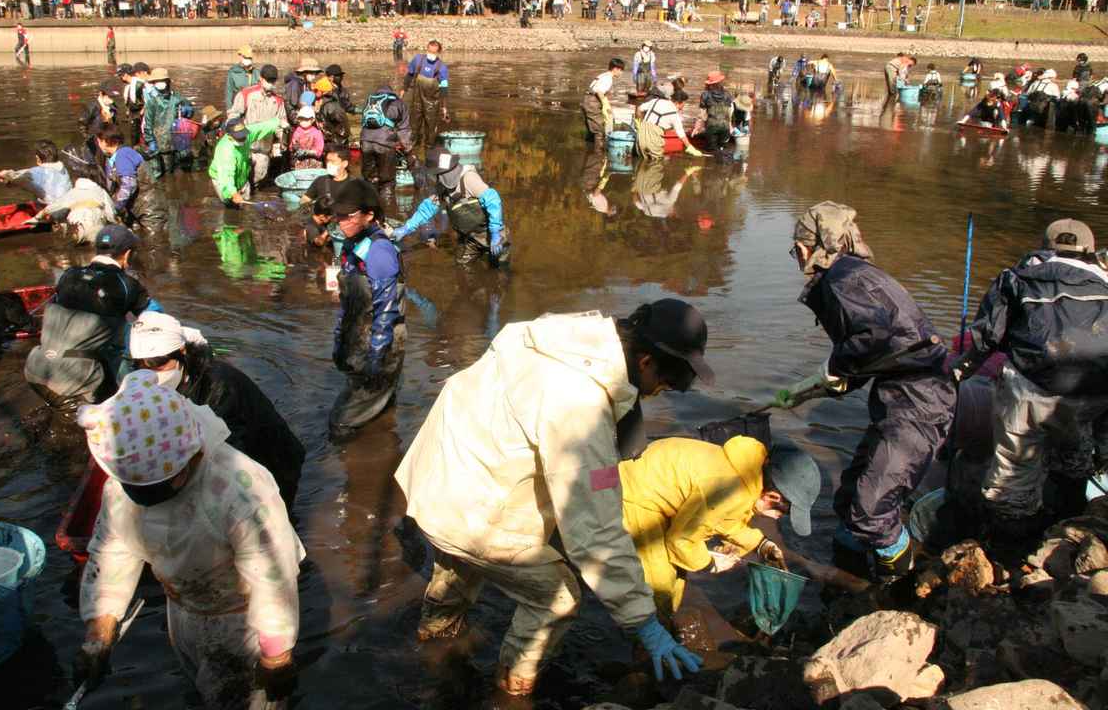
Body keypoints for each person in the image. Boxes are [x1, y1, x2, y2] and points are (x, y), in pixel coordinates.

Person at [395, 299, 712, 696]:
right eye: (664, 384)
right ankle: (512, 689)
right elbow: (594, 529)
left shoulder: (565, 336)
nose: (659, 393)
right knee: (558, 597)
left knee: (462, 561)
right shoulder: (581, 406)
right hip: (471, 502)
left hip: (441, 473)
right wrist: (642, 621)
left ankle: (434, 637)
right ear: (645, 362)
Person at [74, 370, 304, 710]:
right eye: (134, 488)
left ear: (192, 456)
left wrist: (276, 655)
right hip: (184, 609)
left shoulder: (238, 488)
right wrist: (99, 633)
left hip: (241, 620)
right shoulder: (121, 486)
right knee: (201, 687)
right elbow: (111, 551)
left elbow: (272, 577)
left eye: (155, 486)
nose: (142, 497)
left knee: (248, 699)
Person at [777, 202, 954, 581]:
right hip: (902, 395)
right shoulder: (857, 274)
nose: (797, 258)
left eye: (796, 249)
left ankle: (899, 586)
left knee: (870, 510)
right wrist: (815, 388)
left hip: (920, 400)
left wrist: (831, 370)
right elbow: (874, 351)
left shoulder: (843, 281)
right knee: (850, 497)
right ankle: (847, 577)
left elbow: (873, 339)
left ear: (810, 247)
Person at [951, 220, 1108, 546]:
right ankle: (1065, 530)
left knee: (1013, 473)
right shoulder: (1105, 284)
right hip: (1093, 392)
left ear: (1045, 247)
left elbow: (986, 338)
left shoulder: (1016, 279)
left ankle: (1007, 548)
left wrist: (958, 373)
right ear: (1090, 251)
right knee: (1075, 459)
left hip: (1032, 389)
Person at [619, 436, 820, 620]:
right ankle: (649, 640)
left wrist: (760, 544)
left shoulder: (748, 473)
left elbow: (722, 520)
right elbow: (680, 540)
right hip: (634, 494)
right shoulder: (728, 491)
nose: (779, 517)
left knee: (678, 572)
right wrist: (709, 564)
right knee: (661, 582)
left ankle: (664, 622)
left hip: (653, 482)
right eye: (783, 512)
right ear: (772, 497)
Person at [127, 311, 307, 506]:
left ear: (182, 351)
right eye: (140, 365)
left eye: (158, 363)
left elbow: (229, 456)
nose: (150, 374)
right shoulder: (158, 385)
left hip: (272, 462)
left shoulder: (219, 387)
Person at [24, 225, 155, 419]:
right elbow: (154, 316)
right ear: (127, 255)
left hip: (35, 368)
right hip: (73, 381)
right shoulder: (126, 285)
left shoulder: (68, 275)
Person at [329, 179, 405, 438]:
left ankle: (357, 466)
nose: (340, 222)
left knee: (341, 421)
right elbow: (346, 304)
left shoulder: (380, 252)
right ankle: (385, 438)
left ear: (369, 215)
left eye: (347, 216)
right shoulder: (350, 247)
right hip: (361, 333)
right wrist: (339, 341)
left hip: (383, 340)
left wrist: (376, 357)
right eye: (337, 216)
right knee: (376, 403)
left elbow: (386, 311)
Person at [392, 147, 508, 266]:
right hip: (469, 239)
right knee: (462, 268)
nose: (433, 178)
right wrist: (406, 228)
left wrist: (495, 232)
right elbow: (426, 210)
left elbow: (493, 200)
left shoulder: (468, 178)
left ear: (441, 173)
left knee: (499, 270)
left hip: (492, 234)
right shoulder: (442, 188)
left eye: (434, 174)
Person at [97, 126, 166, 234]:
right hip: (135, 210)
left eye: (99, 141)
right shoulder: (112, 159)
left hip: (150, 209)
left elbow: (129, 185)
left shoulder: (124, 155)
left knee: (155, 243)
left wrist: (114, 208)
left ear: (105, 141)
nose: (98, 144)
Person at [229, 64, 287, 188]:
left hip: (264, 149)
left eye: (273, 80)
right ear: (260, 78)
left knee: (258, 181)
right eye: (268, 80)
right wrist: (238, 138)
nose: (270, 83)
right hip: (245, 147)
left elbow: (281, 124)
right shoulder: (245, 94)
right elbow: (233, 118)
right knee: (241, 183)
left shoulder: (278, 100)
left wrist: (282, 140)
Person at [208, 116, 282, 206]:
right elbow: (226, 176)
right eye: (239, 137)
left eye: (243, 135)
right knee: (230, 204)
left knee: (244, 201)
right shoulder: (225, 150)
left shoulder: (247, 135)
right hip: (222, 178)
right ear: (230, 136)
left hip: (241, 172)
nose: (243, 138)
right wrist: (233, 194)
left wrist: (278, 122)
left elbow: (261, 127)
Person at [27, 174, 118, 245]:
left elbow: (53, 207)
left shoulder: (72, 193)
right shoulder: (102, 191)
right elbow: (111, 213)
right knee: (99, 247)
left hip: (78, 225)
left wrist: (36, 218)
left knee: (76, 248)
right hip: (96, 226)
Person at [359, 84, 413, 192]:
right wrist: (408, 151)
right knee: (387, 181)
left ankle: (369, 206)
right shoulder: (399, 103)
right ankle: (387, 207)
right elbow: (404, 131)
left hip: (365, 143)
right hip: (385, 145)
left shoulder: (369, 101)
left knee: (370, 179)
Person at [143, 67, 194, 176]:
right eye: (157, 81)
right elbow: (148, 124)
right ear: (153, 84)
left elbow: (190, 113)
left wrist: (188, 110)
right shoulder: (152, 103)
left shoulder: (177, 98)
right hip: (161, 145)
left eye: (162, 80)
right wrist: (151, 141)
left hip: (179, 142)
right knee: (165, 174)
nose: (160, 83)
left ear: (168, 82)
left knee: (184, 172)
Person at [635, 81, 703, 159]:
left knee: (642, 163)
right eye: (684, 103)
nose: (683, 106)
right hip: (653, 140)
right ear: (678, 103)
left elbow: (639, 108)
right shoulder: (674, 114)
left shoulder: (656, 101)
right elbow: (681, 133)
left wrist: (639, 121)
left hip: (640, 138)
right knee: (655, 166)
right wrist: (690, 147)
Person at [404, 39, 450, 151]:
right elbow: (409, 75)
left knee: (431, 129)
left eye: (434, 52)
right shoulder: (418, 59)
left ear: (438, 52)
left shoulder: (442, 67)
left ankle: (428, 150)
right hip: (417, 100)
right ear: (427, 49)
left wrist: (444, 107)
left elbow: (444, 88)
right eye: (430, 51)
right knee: (413, 126)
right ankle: (411, 150)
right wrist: (403, 89)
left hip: (432, 103)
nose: (431, 54)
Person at [0, 139, 72, 205]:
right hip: (69, 206)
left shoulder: (37, 172)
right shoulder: (63, 169)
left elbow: (17, 176)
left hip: (51, 212)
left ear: (37, 158)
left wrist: (5, 174)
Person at [582, 57, 625, 151]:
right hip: (592, 102)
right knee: (599, 131)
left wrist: (606, 105)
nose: (621, 73)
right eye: (621, 70)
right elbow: (600, 92)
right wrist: (605, 104)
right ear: (615, 69)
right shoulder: (608, 78)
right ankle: (598, 155)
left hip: (587, 100)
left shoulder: (603, 75)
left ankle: (588, 151)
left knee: (591, 130)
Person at [694, 71, 735, 151]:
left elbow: (702, 115)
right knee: (723, 150)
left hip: (712, 127)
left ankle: (711, 163)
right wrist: (730, 127)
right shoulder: (727, 94)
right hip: (725, 127)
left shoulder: (705, 94)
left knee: (711, 151)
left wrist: (697, 128)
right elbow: (729, 112)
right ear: (720, 82)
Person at [121, 62, 149, 147]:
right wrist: (128, 110)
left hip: (140, 115)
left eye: (121, 75)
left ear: (125, 74)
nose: (120, 78)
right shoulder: (128, 86)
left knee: (141, 137)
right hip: (133, 115)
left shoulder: (139, 84)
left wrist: (142, 112)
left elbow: (148, 100)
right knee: (134, 137)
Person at [284, 56, 320, 120]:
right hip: (296, 118)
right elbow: (291, 105)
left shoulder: (306, 83)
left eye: (315, 74)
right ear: (304, 72)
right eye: (312, 74)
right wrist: (297, 120)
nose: (314, 77)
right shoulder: (294, 84)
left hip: (305, 116)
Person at [224, 44, 259, 108]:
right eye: (246, 57)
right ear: (240, 56)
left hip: (254, 107)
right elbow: (229, 93)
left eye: (250, 58)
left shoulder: (256, 72)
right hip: (239, 106)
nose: (248, 59)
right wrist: (229, 109)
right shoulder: (233, 72)